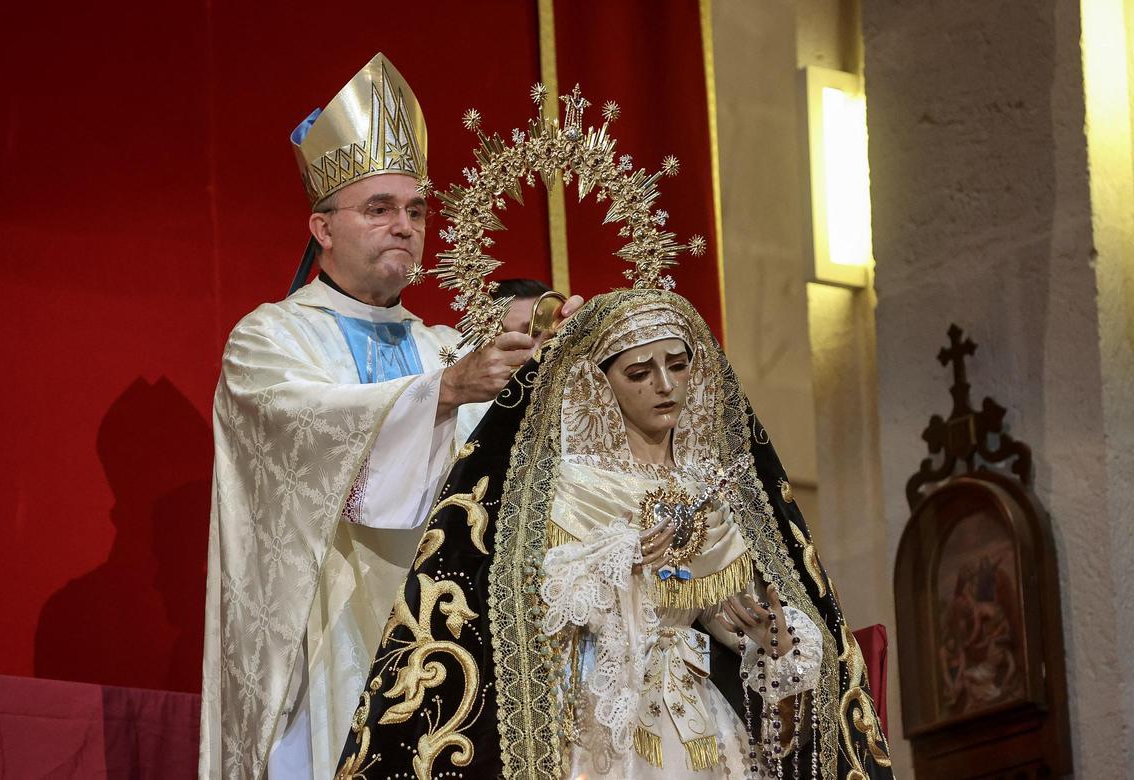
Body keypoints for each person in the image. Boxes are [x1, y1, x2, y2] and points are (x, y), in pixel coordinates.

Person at [198, 53, 579, 780]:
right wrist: (440, 394)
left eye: (415, 210)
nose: (403, 226)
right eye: (378, 209)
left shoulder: (440, 348)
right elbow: (309, 430)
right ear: (323, 226)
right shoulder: (270, 340)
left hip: (443, 653)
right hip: (320, 648)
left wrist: (567, 362)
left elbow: (503, 484)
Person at [336, 289, 893, 778]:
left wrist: (770, 640)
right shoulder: (570, 487)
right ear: (598, 383)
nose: (665, 385)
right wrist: (622, 560)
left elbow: (725, 615)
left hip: (702, 716)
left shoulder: (711, 486)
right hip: (600, 721)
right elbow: (528, 602)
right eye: (639, 373)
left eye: (678, 366)